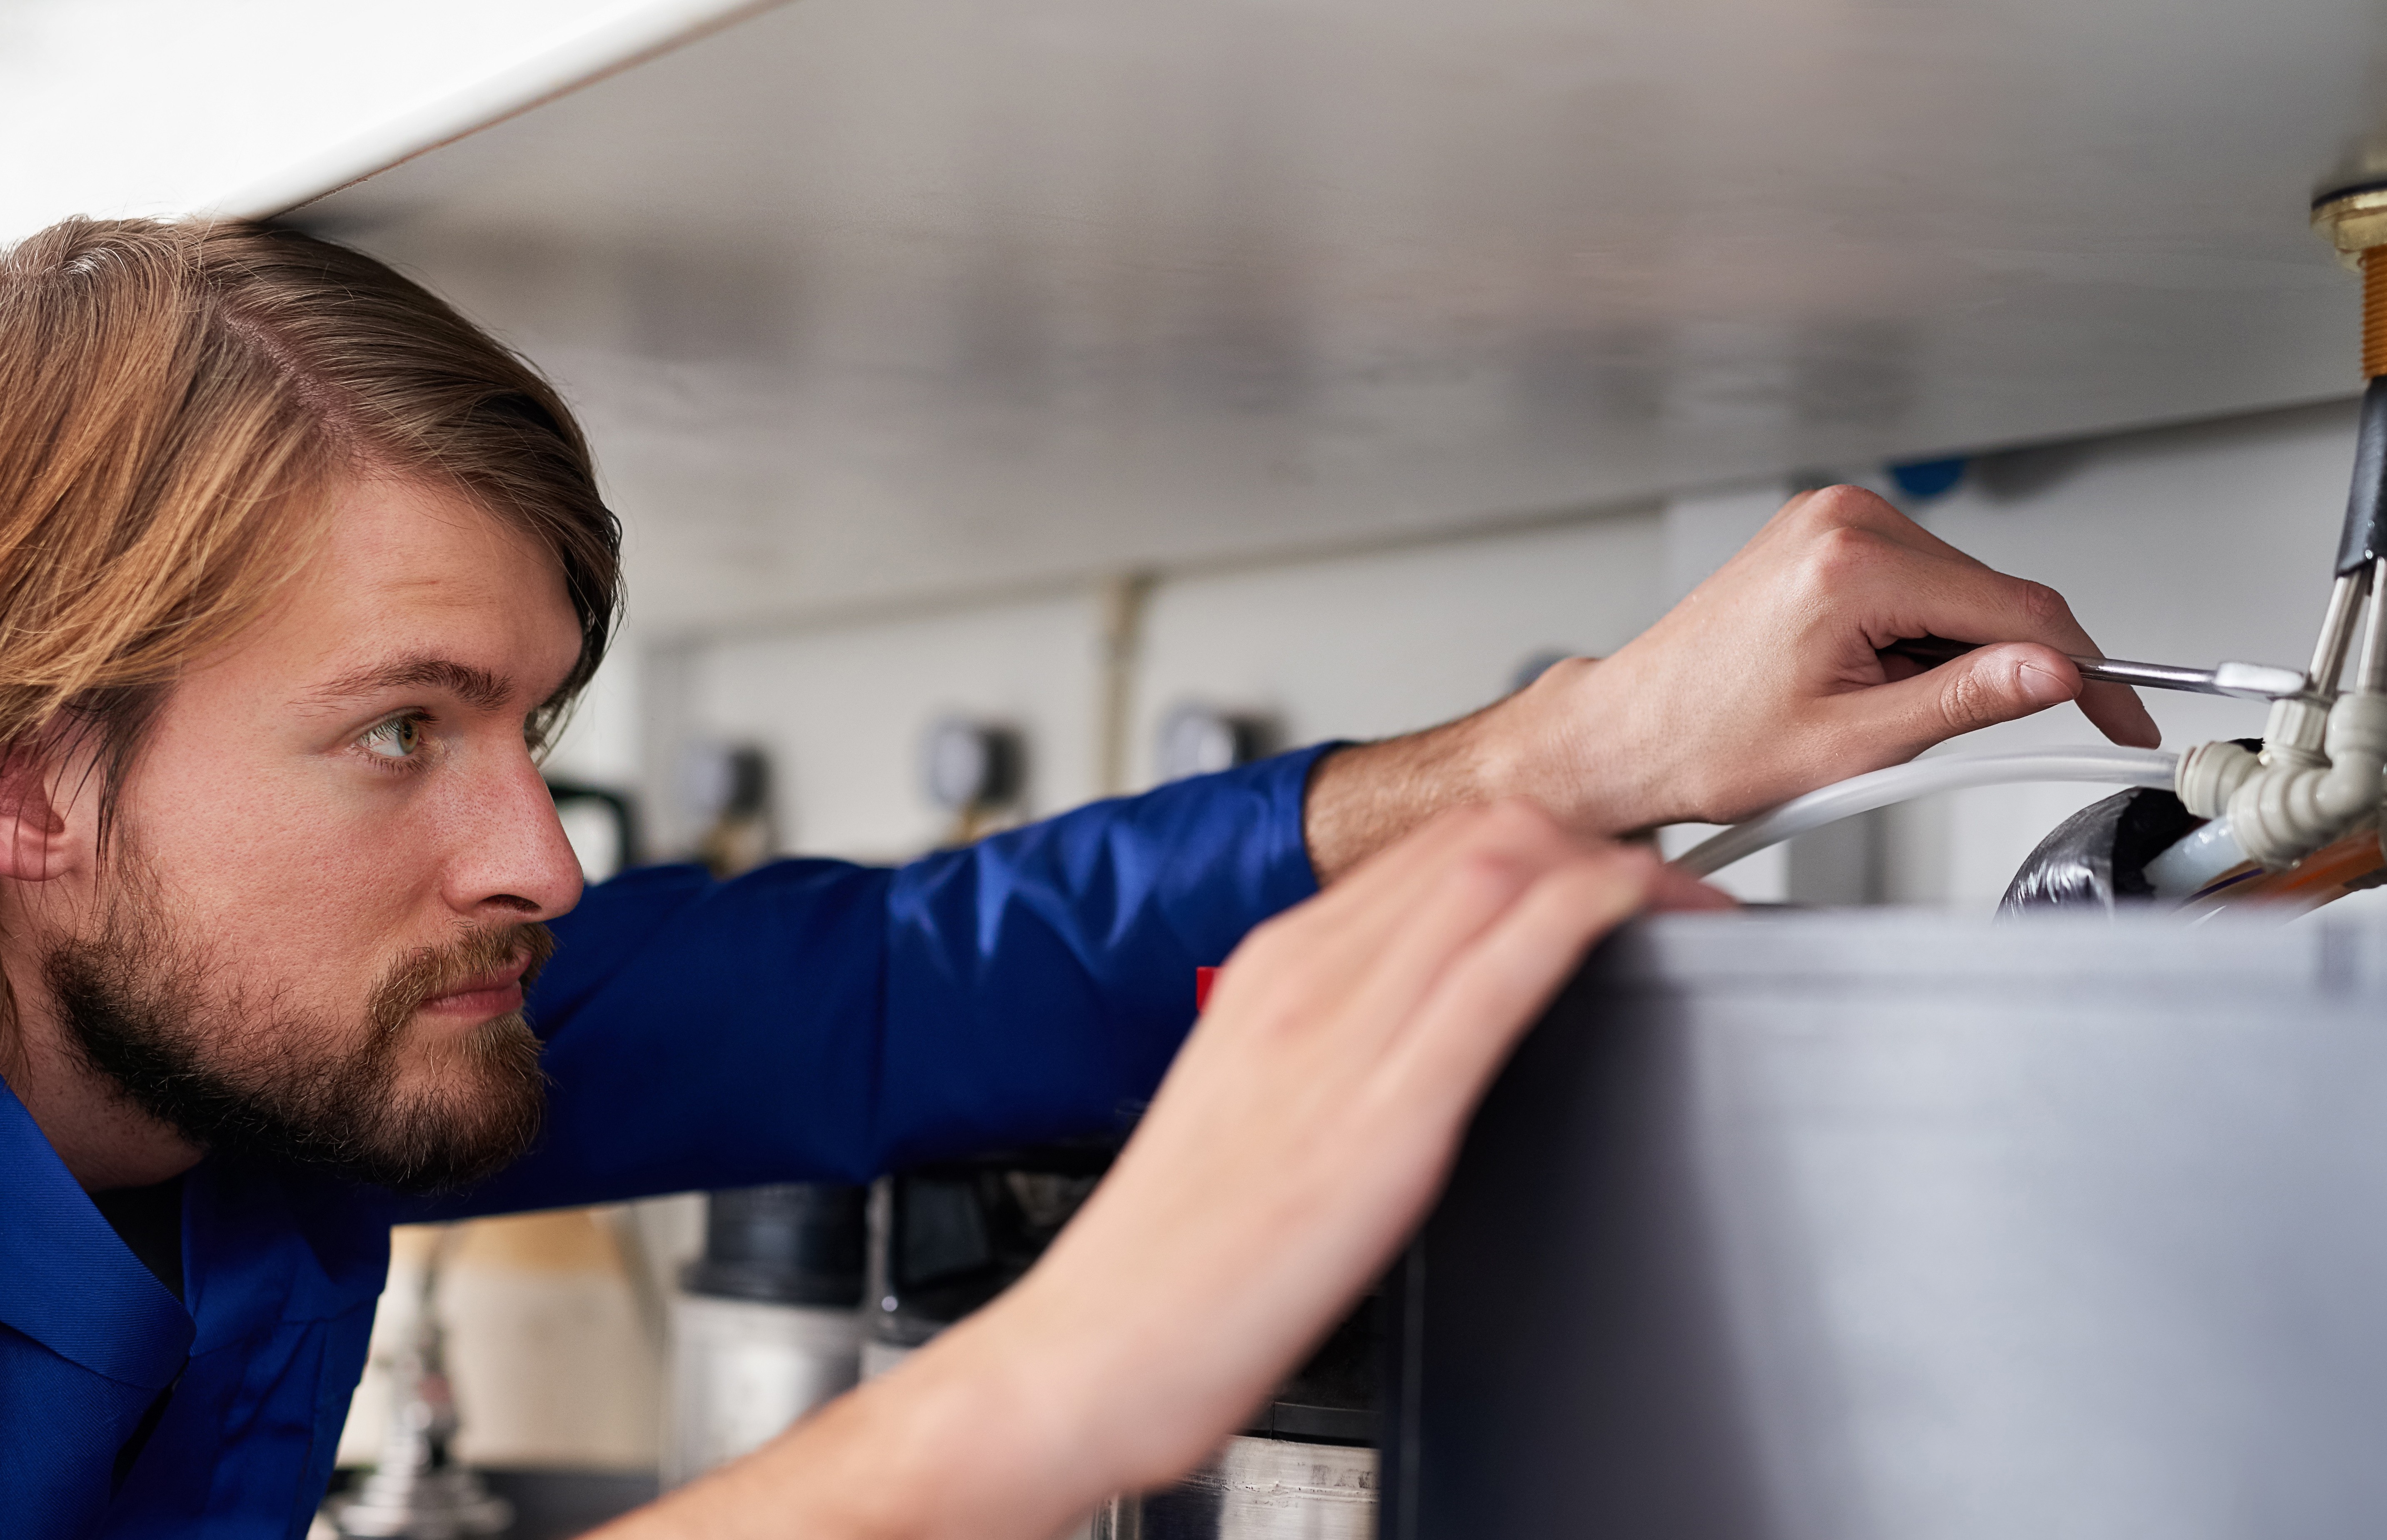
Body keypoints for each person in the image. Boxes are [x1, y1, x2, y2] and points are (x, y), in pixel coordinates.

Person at [0, 218, 2156, 1539]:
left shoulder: (258, 1052)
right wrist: (1046, 1394)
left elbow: (895, 984)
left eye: (530, 728)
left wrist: (1566, 752)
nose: (546, 861)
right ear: (35, 785)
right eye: (402, 728)